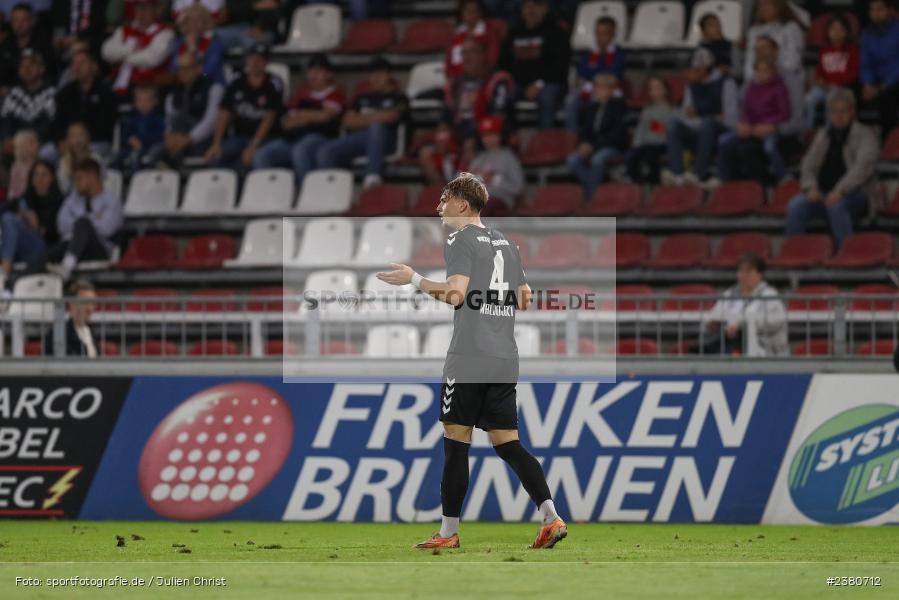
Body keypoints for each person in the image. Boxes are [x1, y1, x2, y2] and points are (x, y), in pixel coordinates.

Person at [375, 172, 567, 550]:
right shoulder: (507, 244)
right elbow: (526, 299)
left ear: (463, 204)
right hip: (504, 357)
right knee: (508, 442)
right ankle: (551, 516)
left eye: (444, 198)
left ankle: (448, 534)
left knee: (455, 440)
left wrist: (413, 279)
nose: (439, 206)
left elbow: (455, 295)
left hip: (469, 357)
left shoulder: (460, 238)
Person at [785, 88, 878, 248]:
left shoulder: (866, 135)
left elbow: (863, 168)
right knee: (796, 205)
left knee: (836, 205)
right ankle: (795, 254)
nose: (838, 116)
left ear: (852, 112)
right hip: (823, 193)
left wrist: (840, 191)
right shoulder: (823, 135)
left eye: (843, 111)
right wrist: (810, 187)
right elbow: (808, 164)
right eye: (834, 111)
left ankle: (845, 254)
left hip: (856, 195)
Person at [421, 38, 513, 185]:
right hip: (458, 137)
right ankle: (444, 199)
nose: (467, 57)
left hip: (486, 137)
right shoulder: (455, 84)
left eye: (473, 52)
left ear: (484, 55)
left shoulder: (497, 80)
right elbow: (445, 117)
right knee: (426, 154)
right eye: (464, 53)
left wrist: (475, 137)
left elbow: (498, 117)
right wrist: (442, 139)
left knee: (470, 147)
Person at [252, 54, 346, 184]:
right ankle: (271, 196)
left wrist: (302, 116)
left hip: (321, 138)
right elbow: (287, 122)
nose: (313, 75)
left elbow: (326, 116)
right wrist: (311, 116)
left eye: (318, 71)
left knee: (301, 150)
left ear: (329, 74)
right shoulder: (301, 94)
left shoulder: (335, 92)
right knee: (262, 154)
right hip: (294, 137)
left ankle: (307, 194)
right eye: (311, 71)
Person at [316, 57, 406, 189]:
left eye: (380, 74)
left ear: (389, 75)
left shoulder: (398, 97)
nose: (376, 78)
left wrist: (364, 118)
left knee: (376, 127)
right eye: (372, 74)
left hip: (386, 141)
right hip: (359, 140)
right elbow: (347, 121)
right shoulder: (362, 98)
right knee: (326, 151)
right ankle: (329, 190)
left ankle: (373, 177)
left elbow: (391, 116)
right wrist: (377, 116)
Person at [31, 158, 122, 281]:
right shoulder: (73, 199)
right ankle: (8, 291)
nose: (75, 183)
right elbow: (61, 225)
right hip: (70, 245)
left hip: (98, 249)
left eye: (79, 178)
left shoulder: (112, 200)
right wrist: (94, 218)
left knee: (83, 223)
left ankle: (66, 268)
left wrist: (84, 223)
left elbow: (107, 229)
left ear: (92, 177)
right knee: (42, 259)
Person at [663, 48, 739, 187]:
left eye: (690, 70)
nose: (685, 74)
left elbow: (731, 119)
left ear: (702, 69)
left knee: (707, 123)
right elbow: (686, 116)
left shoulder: (726, 83)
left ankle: (700, 174)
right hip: (700, 130)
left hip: (721, 132)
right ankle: (678, 174)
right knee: (673, 123)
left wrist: (702, 115)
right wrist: (710, 116)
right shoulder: (691, 86)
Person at [204, 43, 282, 169]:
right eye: (252, 58)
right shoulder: (236, 80)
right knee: (216, 156)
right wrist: (216, 143)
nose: (255, 63)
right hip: (239, 137)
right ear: (247, 60)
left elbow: (269, 117)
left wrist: (253, 146)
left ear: (267, 62)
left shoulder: (274, 83)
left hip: (266, 139)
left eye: (260, 59)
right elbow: (224, 112)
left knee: (253, 158)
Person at [696, 254, 788, 357]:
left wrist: (741, 325)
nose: (742, 275)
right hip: (729, 345)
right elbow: (711, 318)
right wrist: (712, 324)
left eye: (748, 271)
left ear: (759, 274)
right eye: (740, 271)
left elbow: (774, 323)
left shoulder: (770, 296)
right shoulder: (729, 294)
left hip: (765, 351)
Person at [717, 58, 791, 184]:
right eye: (759, 71)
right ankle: (726, 182)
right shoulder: (752, 88)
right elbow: (746, 110)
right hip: (751, 128)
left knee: (769, 147)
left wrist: (767, 125)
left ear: (773, 72)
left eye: (766, 71)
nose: (762, 74)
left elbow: (784, 113)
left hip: (768, 128)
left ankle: (783, 177)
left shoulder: (779, 88)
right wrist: (744, 123)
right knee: (723, 141)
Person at [498, 0, 570, 129]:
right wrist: (506, 82)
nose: (531, 10)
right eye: (527, 5)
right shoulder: (514, 32)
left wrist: (538, 84)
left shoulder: (557, 32)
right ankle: (507, 138)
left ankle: (545, 142)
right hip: (518, 84)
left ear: (545, 8)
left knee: (547, 99)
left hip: (547, 83)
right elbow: (503, 63)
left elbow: (560, 66)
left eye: (536, 5)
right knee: (501, 96)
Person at [152, 51, 223, 168]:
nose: (183, 72)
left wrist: (189, 139)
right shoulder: (172, 94)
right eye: (180, 69)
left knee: (177, 119)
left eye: (187, 68)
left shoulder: (214, 88)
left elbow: (211, 121)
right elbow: (169, 122)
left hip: (202, 140)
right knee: (153, 154)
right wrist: (169, 137)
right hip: (178, 141)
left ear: (199, 68)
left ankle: (170, 163)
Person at [744, 0, 805, 135]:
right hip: (757, 81)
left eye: (767, 4)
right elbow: (749, 62)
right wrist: (757, 77)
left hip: (784, 78)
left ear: (779, 6)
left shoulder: (791, 28)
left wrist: (770, 72)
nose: (763, 9)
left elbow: (793, 62)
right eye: (761, 6)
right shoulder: (753, 31)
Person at [566, 73, 628, 195]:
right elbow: (585, 130)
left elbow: (617, 136)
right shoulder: (592, 108)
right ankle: (594, 191)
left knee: (597, 159)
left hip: (612, 147)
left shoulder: (619, 107)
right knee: (572, 160)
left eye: (601, 87)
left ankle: (592, 194)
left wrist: (593, 146)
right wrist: (583, 144)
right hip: (593, 146)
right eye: (597, 87)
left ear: (611, 89)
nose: (597, 91)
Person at [51, 49, 118, 158]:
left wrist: (81, 139)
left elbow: (107, 124)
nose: (77, 67)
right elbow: (57, 123)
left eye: (82, 63)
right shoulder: (65, 93)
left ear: (93, 66)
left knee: (94, 152)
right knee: (46, 153)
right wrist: (61, 140)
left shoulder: (106, 92)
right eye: (74, 63)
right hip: (69, 142)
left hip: (96, 142)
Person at [1, 159, 61, 276]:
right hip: (18, 249)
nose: (39, 178)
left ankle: (4, 271)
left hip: (44, 249)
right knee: (8, 220)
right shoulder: (24, 199)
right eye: (36, 174)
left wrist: (37, 227)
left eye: (44, 174)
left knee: (9, 218)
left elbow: (57, 235)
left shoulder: (59, 202)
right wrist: (20, 220)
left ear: (52, 177)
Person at [565, 16, 625, 132]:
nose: (600, 37)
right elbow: (582, 71)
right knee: (571, 100)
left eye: (604, 33)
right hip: (590, 87)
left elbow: (614, 73)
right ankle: (571, 136)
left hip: (610, 90)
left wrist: (597, 71)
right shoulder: (590, 53)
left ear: (612, 34)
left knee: (600, 99)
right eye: (598, 33)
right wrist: (599, 73)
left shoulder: (618, 53)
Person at [101, 0, 175, 94]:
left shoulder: (165, 33)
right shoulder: (124, 30)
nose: (141, 12)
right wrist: (130, 49)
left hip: (148, 88)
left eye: (146, 8)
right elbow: (106, 52)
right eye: (138, 7)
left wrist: (121, 58)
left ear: (156, 9)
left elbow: (151, 58)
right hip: (118, 84)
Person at [805, 15, 859, 131]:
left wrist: (836, 83)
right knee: (809, 99)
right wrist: (820, 80)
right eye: (833, 29)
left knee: (830, 99)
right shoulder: (824, 50)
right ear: (828, 32)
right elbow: (819, 71)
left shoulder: (852, 50)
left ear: (847, 32)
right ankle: (808, 130)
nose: (836, 33)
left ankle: (829, 130)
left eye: (840, 29)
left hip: (842, 87)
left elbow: (853, 73)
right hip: (825, 87)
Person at [467, 116, 524, 215]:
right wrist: (479, 177)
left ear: (501, 136)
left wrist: (495, 178)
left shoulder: (509, 157)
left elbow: (518, 187)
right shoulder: (479, 158)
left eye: (493, 135)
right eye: (486, 136)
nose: (489, 139)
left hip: (499, 198)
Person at [626, 76, 678, 184]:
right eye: (652, 89)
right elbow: (641, 129)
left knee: (650, 156)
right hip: (645, 144)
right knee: (631, 157)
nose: (654, 92)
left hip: (661, 144)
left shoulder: (672, 109)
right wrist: (636, 143)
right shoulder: (647, 109)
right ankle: (638, 184)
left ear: (665, 90)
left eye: (657, 88)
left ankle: (654, 184)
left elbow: (670, 131)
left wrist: (656, 127)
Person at [0, 50, 55, 149]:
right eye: (23, 66)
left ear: (42, 68)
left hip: (42, 143)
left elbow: (50, 125)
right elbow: (6, 122)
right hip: (16, 144)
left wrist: (28, 140)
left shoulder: (51, 93)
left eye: (31, 65)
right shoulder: (14, 94)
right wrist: (7, 138)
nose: (27, 69)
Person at [860, 0, 899, 138]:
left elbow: (897, 64)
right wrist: (868, 84)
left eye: (880, 9)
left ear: (889, 10)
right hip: (874, 81)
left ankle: (887, 141)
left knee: (887, 98)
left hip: (894, 80)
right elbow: (865, 63)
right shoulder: (866, 34)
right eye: (872, 10)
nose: (875, 13)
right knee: (849, 93)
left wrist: (883, 86)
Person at [0, 3, 54, 90]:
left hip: (37, 92)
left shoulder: (43, 45)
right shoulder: (6, 44)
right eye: (15, 20)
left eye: (23, 20)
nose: (19, 25)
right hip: (8, 93)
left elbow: (49, 74)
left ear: (32, 21)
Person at [166, 3, 224, 85]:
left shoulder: (214, 43)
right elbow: (173, 69)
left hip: (209, 86)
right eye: (190, 19)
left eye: (198, 19)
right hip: (183, 87)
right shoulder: (180, 42)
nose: (194, 23)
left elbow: (207, 72)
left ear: (205, 22)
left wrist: (192, 50)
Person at [113, 84, 165, 171]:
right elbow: (125, 134)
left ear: (155, 101)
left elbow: (160, 135)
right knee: (116, 156)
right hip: (132, 148)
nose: (143, 104)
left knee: (137, 156)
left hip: (149, 148)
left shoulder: (158, 118)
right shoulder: (133, 119)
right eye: (140, 100)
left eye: (147, 100)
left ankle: (138, 179)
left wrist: (141, 142)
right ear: (135, 103)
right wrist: (130, 139)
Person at [446, 0, 500, 82]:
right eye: (467, 10)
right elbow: (450, 62)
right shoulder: (456, 34)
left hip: (481, 80)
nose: (470, 14)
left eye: (474, 11)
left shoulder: (489, 31)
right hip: (457, 82)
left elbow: (492, 60)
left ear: (480, 13)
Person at [42, 279, 98, 357]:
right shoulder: (57, 334)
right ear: (72, 304)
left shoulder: (91, 331)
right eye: (85, 302)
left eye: (92, 303)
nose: (90, 308)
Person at [57, 121, 102, 194]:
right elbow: (64, 190)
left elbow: (102, 185)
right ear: (68, 140)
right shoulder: (64, 161)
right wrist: (67, 169)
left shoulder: (96, 159)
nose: (77, 140)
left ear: (88, 138)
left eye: (81, 135)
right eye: (73, 136)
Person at [7, 129, 38, 199]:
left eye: (36, 141)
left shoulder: (39, 164)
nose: (37, 144)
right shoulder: (16, 166)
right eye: (32, 143)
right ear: (22, 146)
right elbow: (13, 188)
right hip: (18, 201)